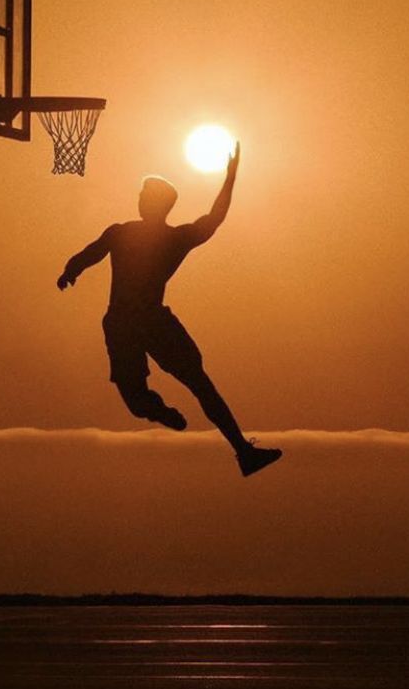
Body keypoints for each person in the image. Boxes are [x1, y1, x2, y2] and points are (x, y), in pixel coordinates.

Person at [56, 144, 282, 477]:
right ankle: (239, 449)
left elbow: (90, 253)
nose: (139, 199)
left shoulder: (127, 233)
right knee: (195, 386)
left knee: (151, 397)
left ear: (152, 204)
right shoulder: (167, 238)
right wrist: (230, 178)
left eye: (143, 195)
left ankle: (235, 447)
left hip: (126, 322)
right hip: (150, 321)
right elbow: (214, 219)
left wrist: (70, 270)